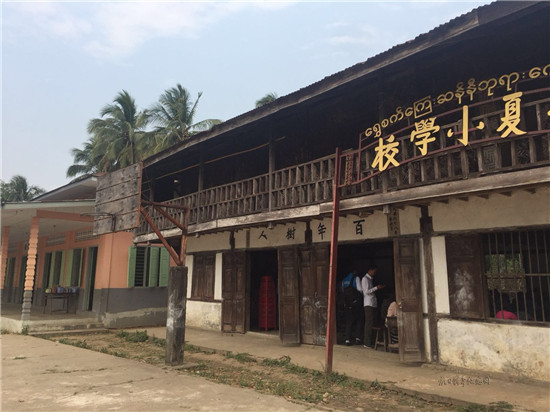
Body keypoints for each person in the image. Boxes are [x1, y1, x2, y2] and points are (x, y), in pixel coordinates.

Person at [362, 264, 384, 348]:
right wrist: (376, 288)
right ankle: (366, 342)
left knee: (373, 322)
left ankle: (372, 341)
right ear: (370, 270)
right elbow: (366, 292)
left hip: (372, 303)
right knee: (369, 323)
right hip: (368, 303)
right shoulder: (365, 279)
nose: (375, 273)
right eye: (374, 271)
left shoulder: (370, 279)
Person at [342, 269, 363, 346]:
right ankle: (357, 338)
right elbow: (360, 289)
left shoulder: (344, 280)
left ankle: (347, 339)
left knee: (349, 321)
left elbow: (343, 291)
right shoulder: (356, 278)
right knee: (359, 320)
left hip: (347, 304)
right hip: (356, 303)